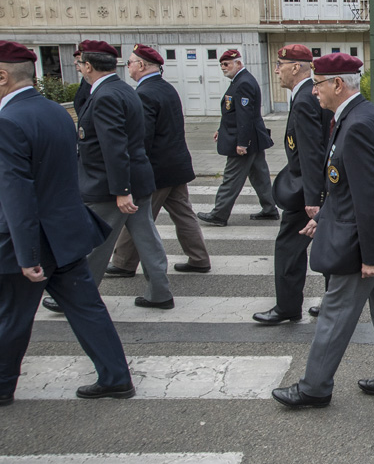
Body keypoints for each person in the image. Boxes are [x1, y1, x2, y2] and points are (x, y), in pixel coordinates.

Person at [272, 53, 374, 409]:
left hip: (360, 240)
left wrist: (372, 256)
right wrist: (323, 216)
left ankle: (314, 387)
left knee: (335, 313)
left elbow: (370, 198)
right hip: (370, 234)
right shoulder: (357, 116)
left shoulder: (357, 125)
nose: (314, 91)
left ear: (338, 84)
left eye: (318, 84)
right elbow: (348, 187)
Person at [0, 41, 135, 405]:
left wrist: (27, 254)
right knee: (87, 309)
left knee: (12, 317)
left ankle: (2, 385)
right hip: (66, 232)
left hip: (30, 239)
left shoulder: (8, 121)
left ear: (3, 76)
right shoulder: (55, 111)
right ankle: (116, 377)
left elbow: (17, 193)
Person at [42, 40, 172, 313]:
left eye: (80, 64)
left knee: (93, 243)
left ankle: (75, 297)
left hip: (111, 185)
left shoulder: (105, 96)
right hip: (135, 178)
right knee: (146, 238)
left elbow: (114, 147)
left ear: (89, 66)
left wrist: (121, 190)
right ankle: (160, 292)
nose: (78, 67)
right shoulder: (122, 89)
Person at [106, 45, 211, 278]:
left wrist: (133, 169)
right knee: (183, 214)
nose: (128, 67)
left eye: (130, 62)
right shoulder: (166, 88)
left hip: (156, 170)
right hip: (176, 165)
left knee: (136, 215)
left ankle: (123, 263)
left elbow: (141, 138)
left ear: (142, 65)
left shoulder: (144, 93)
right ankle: (199, 258)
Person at [254, 45, 332, 325]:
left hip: (306, 189)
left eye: (281, 64)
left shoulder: (304, 99)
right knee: (327, 243)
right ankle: (333, 302)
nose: (277, 70)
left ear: (296, 67)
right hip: (315, 185)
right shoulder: (309, 94)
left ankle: (288, 307)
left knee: (288, 247)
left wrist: (313, 197)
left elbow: (311, 152)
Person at [197, 49, 277, 227]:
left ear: (238, 63)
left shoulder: (243, 83)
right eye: (221, 65)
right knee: (259, 175)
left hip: (245, 139)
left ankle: (219, 214)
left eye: (226, 64)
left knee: (231, 177)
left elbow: (244, 116)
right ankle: (270, 208)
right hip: (251, 138)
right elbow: (232, 112)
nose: (223, 67)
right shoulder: (240, 81)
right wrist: (221, 129)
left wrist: (242, 143)